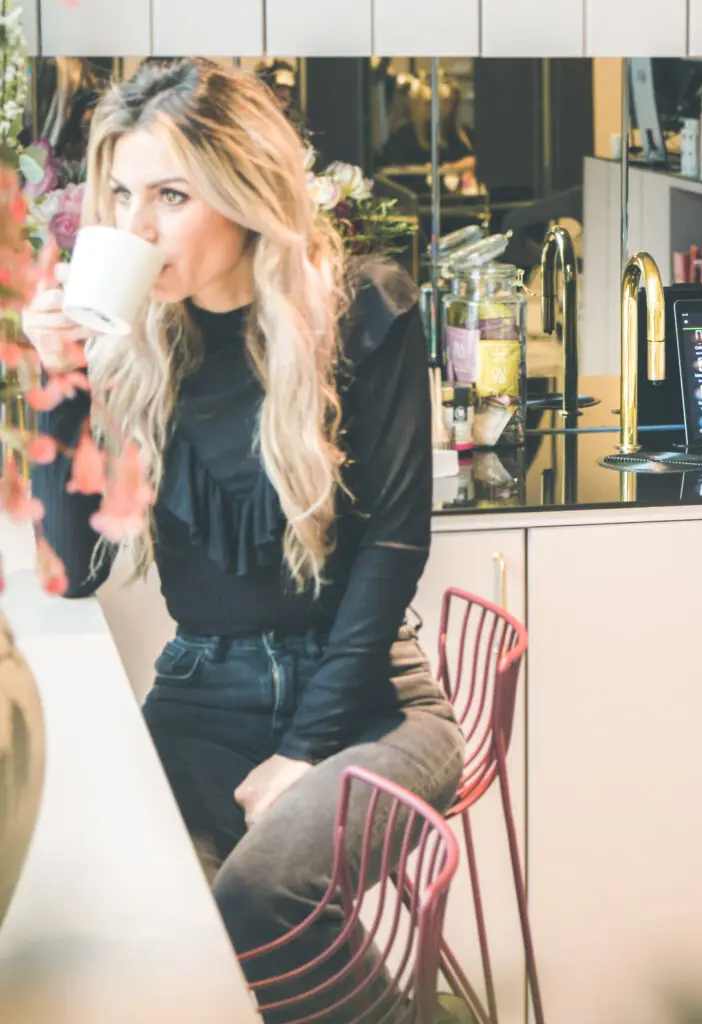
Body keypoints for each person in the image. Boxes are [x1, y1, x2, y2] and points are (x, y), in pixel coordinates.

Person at [26, 57, 464, 1020]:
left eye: (172, 195)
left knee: (259, 896)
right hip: (203, 694)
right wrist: (56, 386)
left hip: (373, 703)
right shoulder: (140, 345)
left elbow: (394, 549)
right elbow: (72, 571)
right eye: (125, 195)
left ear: (244, 192)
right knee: (139, 924)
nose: (138, 227)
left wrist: (306, 749)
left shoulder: (365, 316)